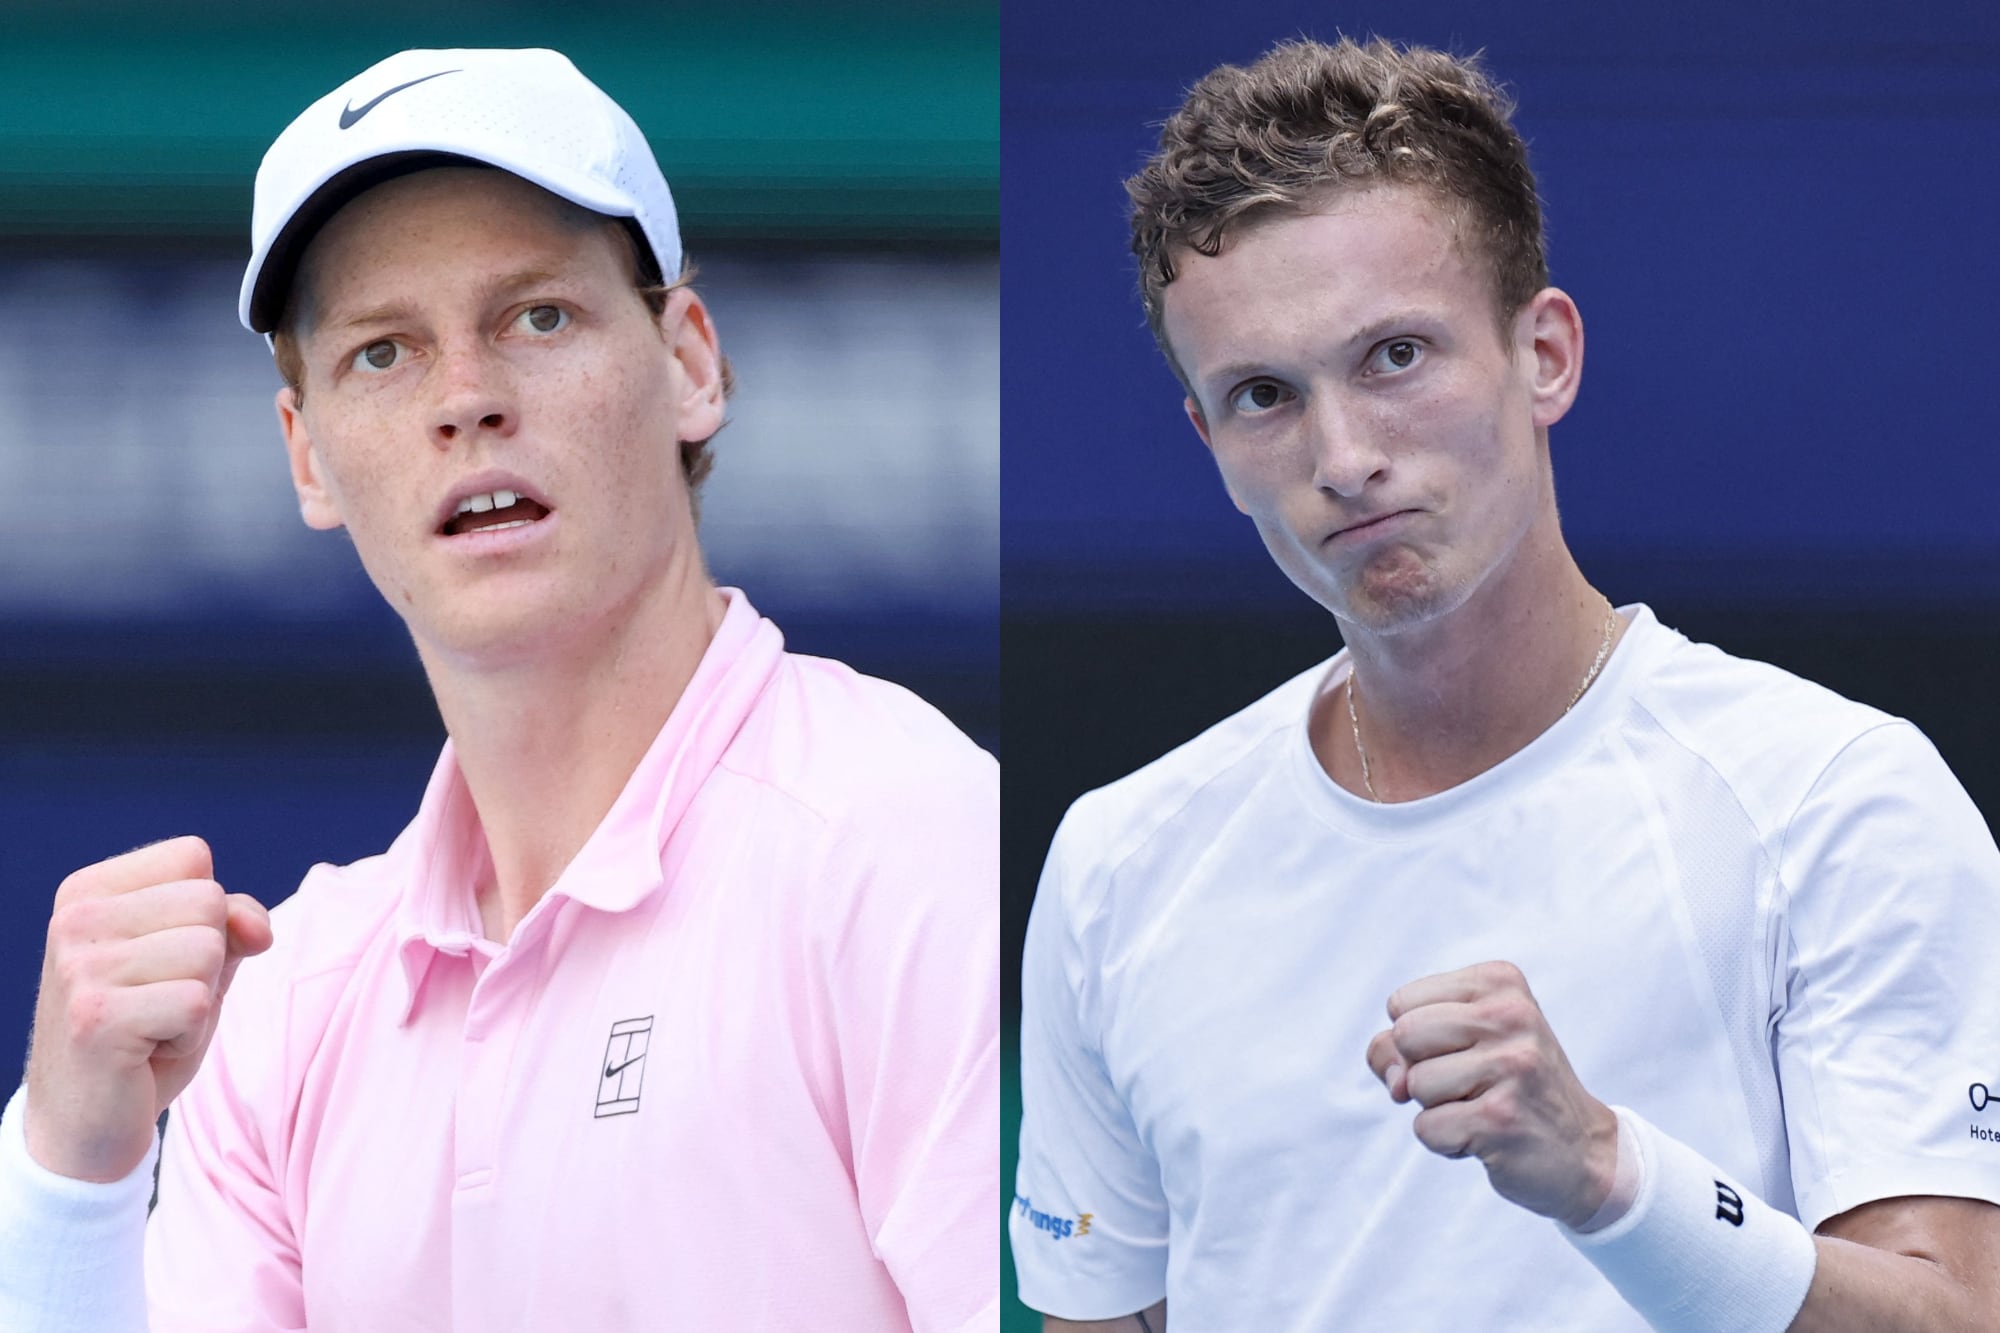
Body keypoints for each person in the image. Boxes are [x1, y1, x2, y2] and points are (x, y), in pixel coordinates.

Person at [1010, 35, 2000, 1332]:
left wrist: (1612, 1174)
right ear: (1207, 437)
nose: (1342, 456)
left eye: (1394, 356)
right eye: (1262, 395)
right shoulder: (1117, 865)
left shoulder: (1835, 799)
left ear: (1544, 354)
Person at [0, 48, 997, 1332]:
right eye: (381, 352)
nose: (465, 398)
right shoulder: (288, 1006)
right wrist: (74, 1176)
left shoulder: (904, 845)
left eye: (537, 317)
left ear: (688, 364)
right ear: (308, 458)